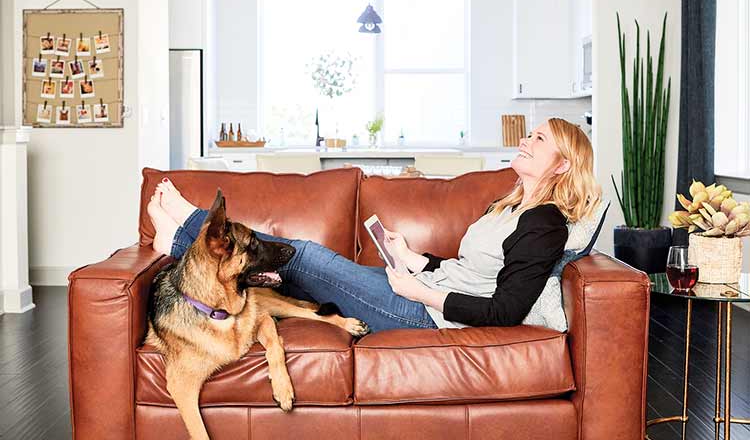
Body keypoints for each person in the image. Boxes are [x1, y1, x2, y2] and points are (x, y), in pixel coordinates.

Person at [147, 118, 601, 333]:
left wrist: (421, 292)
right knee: (295, 273)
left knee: (303, 256)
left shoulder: (545, 225)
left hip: (429, 315)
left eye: (538, 139)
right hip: (425, 291)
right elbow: (472, 269)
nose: (525, 140)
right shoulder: (509, 205)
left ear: (562, 166)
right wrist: (416, 260)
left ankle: (186, 228)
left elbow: (505, 309)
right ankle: (181, 239)